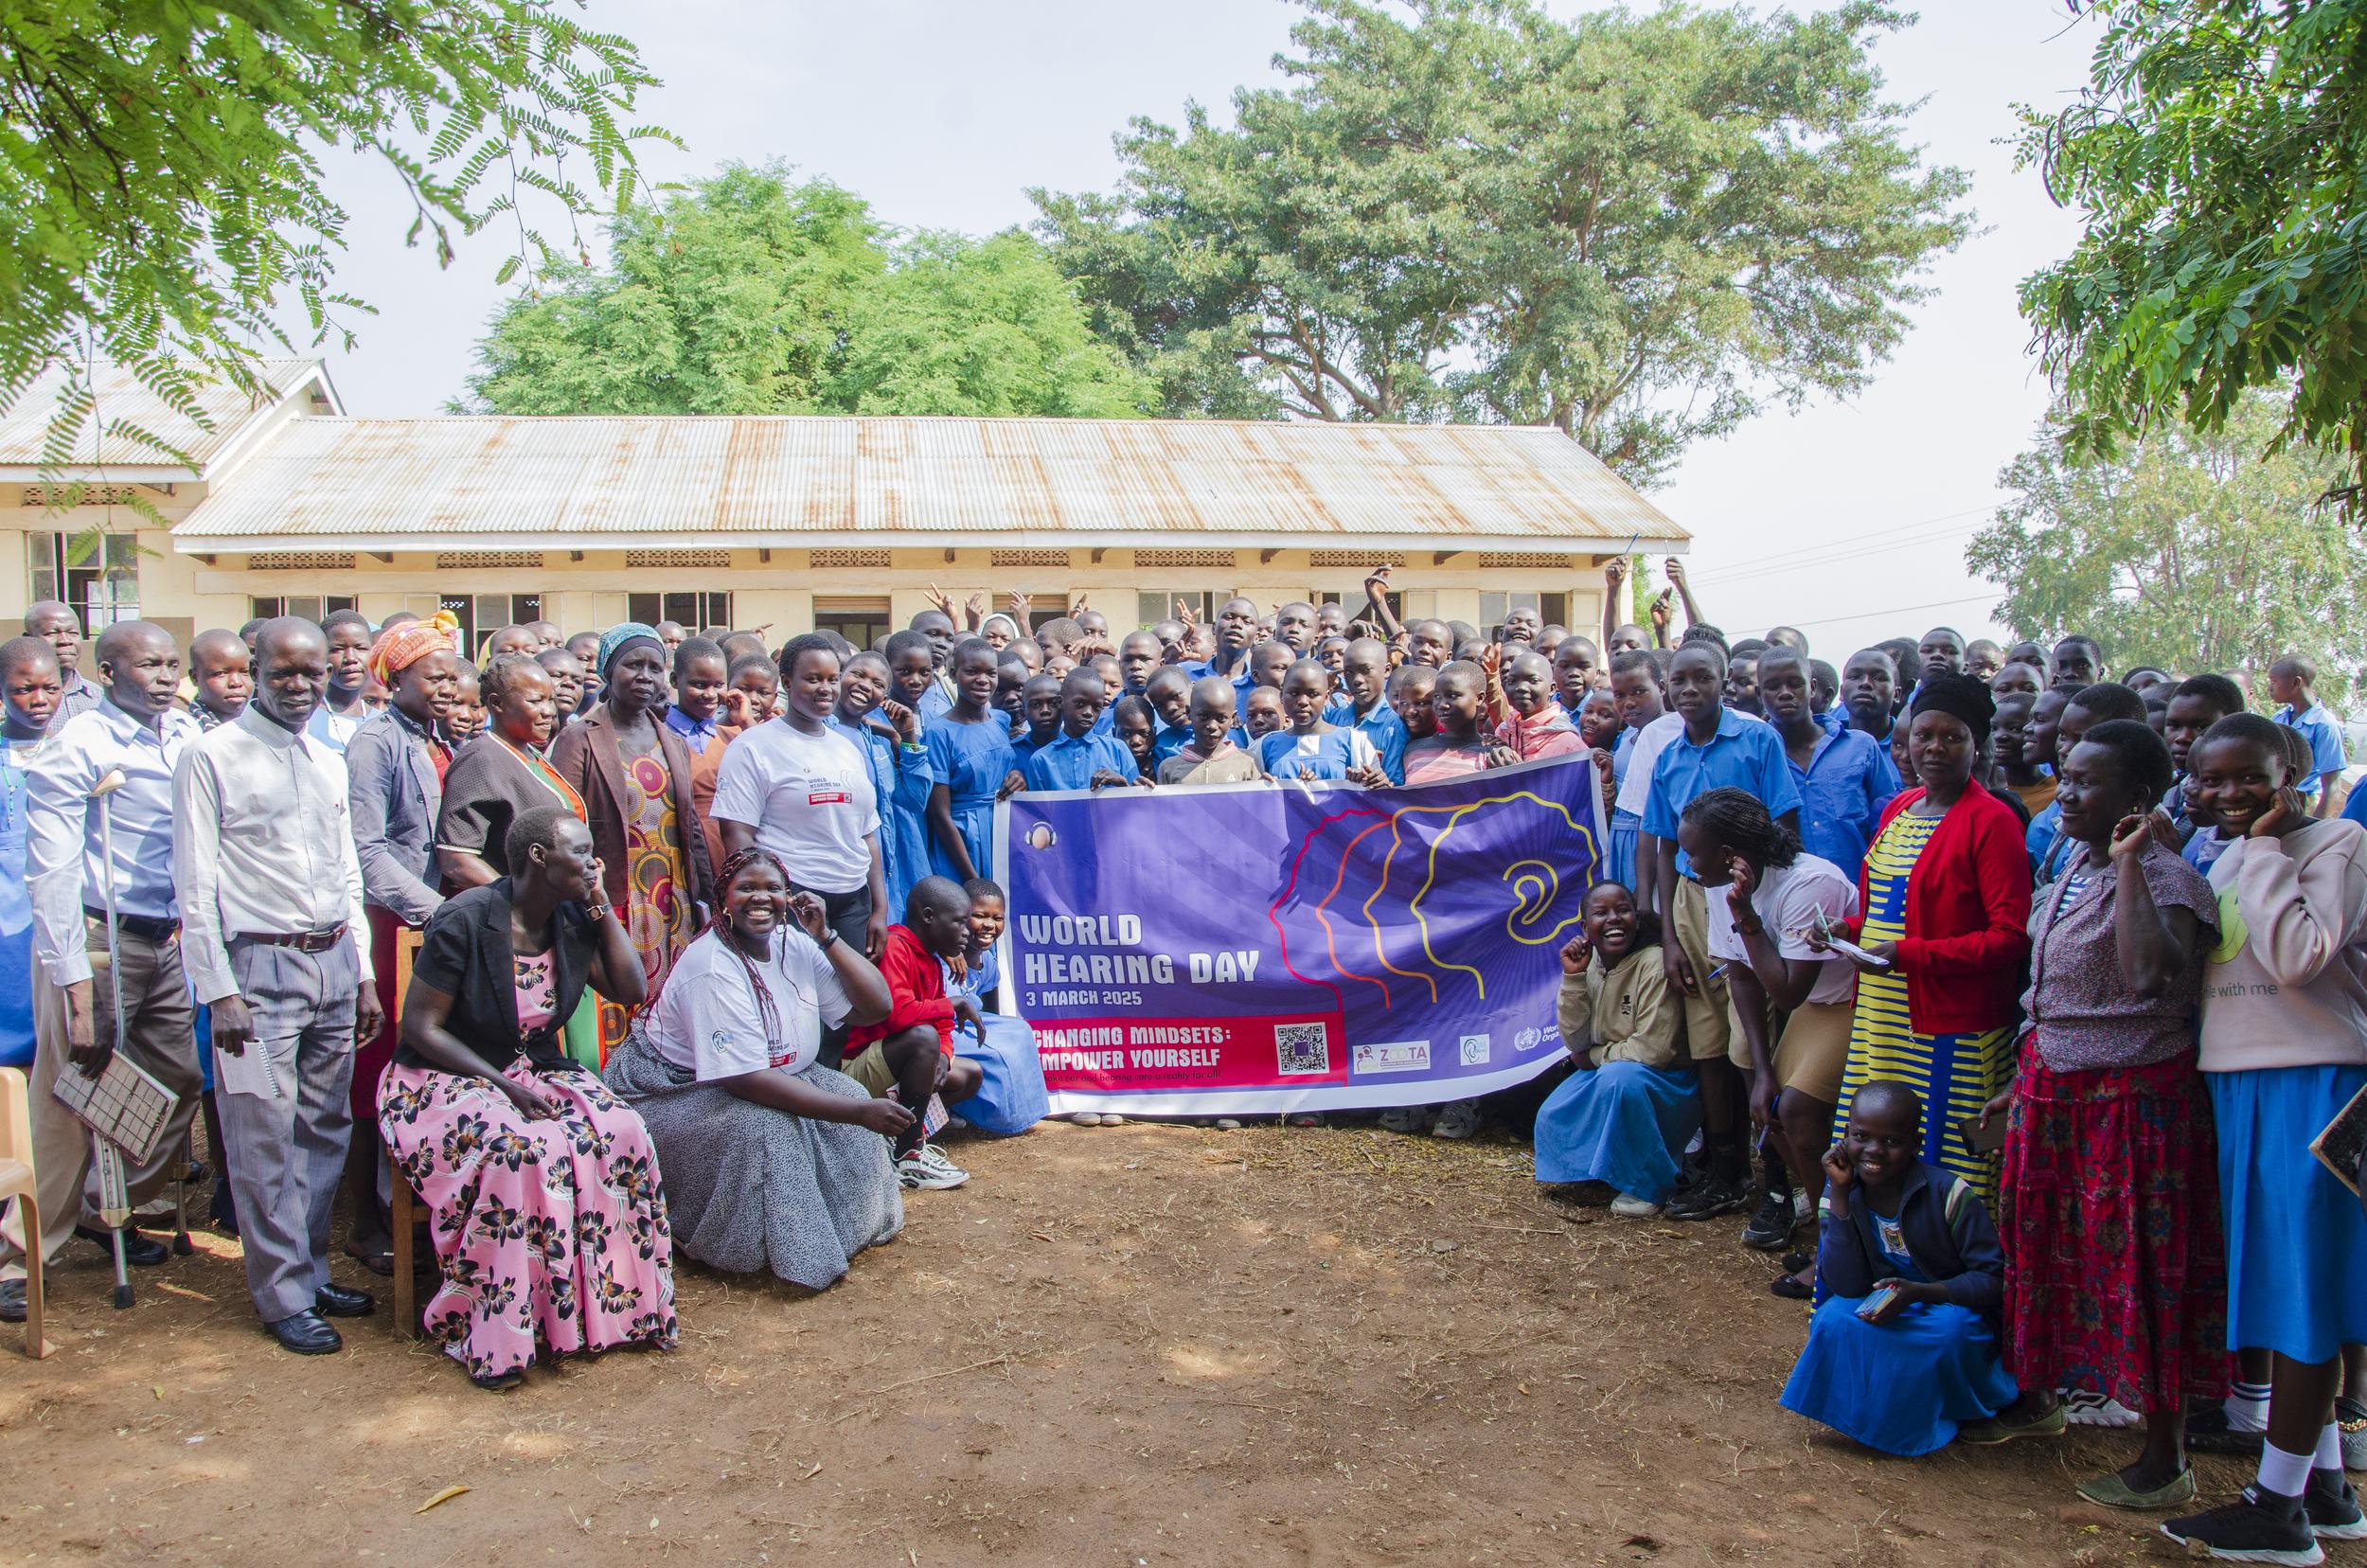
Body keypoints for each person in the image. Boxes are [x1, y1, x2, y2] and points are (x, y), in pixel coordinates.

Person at [1974, 720, 2224, 1508]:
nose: (2068, 791)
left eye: (2087, 782)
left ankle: (2165, 1456)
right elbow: (2052, 989)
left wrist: (2131, 866)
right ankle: (2041, 1400)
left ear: (2139, 800)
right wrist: (2022, 1076)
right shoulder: (2068, 865)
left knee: (2140, 1271)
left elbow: (2150, 978)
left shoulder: (2168, 879)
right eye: (2067, 776)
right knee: (2043, 1250)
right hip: (2054, 1092)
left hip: (2132, 1102)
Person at [2159, 714, 2367, 1559]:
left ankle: (2276, 1510)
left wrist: (2272, 851)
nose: (2228, 794)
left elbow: (2298, 957)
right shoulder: (2227, 851)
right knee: (2278, 1290)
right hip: (2240, 1082)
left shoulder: (2338, 842)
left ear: (2295, 771)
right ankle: (2323, 1488)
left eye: (2249, 777)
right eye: (2211, 780)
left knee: (2307, 1290)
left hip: (2313, 1081)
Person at [380, 807, 674, 1389]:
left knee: (623, 1130)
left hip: (529, 1068)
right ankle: (500, 1332)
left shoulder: (569, 919)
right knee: (521, 1150)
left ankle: (619, 1312)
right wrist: (502, 1085)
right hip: (443, 1077)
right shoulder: (464, 919)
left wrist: (598, 908)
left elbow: (630, 989)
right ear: (539, 856)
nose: (593, 862)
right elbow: (422, 1028)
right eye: (581, 852)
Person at [172, 618, 381, 1355]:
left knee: (322, 1128)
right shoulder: (210, 756)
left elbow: (347, 874)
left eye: (312, 673)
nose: (299, 687)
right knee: (260, 1132)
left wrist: (360, 972)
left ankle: (310, 1269)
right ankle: (281, 1293)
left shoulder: (327, 758)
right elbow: (193, 885)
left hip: (329, 964)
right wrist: (217, 989)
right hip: (255, 972)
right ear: (254, 668)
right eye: (283, 673)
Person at [1, 622, 203, 1322]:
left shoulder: (185, 734)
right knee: (67, 1096)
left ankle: (99, 1203)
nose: (163, 674)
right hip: (93, 935)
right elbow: (51, 872)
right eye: (148, 664)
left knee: (179, 1079)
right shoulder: (79, 746)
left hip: (164, 935)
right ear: (108, 670)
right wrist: (75, 991)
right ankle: (21, 1251)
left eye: (171, 663)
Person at [606, 846, 911, 1289]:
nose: (760, 898)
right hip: (672, 1089)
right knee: (767, 1130)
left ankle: (847, 1232)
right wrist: (860, 1115)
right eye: (746, 888)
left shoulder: (795, 943)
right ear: (723, 899)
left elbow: (875, 1006)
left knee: (850, 1095)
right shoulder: (712, 966)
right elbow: (743, 1081)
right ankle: (773, 1256)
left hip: (769, 1075)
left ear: (790, 896)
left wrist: (826, 936)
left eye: (773, 888)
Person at [1810, 674, 2030, 1203]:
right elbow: (1890, 913)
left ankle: (1947, 1268)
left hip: (1951, 1022)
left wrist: (1905, 955)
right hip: (1882, 1016)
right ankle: (1867, 1252)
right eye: (1923, 734)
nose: (1934, 747)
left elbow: (2009, 938)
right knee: (1874, 1141)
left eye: (1952, 736)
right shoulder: (1898, 808)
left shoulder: (1992, 821)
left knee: (1943, 1151)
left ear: (1976, 744)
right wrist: (1848, 931)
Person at [1643, 641, 1802, 1218]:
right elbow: (1663, 845)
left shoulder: (1758, 739)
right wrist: (1667, 935)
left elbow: (1784, 822)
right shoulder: (1667, 756)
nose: (1690, 689)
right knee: (1707, 1038)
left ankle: (1780, 1178)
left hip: (1749, 896)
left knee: (1758, 1033)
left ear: (1726, 680)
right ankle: (1727, 1169)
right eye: (1679, 680)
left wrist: (1764, 893)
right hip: (1690, 897)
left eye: (1702, 678)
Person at [1778, 1081, 2015, 1456]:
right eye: (1862, 1137)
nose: (1874, 1151)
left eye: (1892, 1141)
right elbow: (1846, 1284)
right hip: (1890, 1301)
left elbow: (1993, 1279)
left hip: (1948, 1306)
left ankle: (1941, 1414)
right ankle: (1862, 1418)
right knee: (1834, 1318)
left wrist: (1922, 1292)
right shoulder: (1841, 1192)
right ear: (1845, 1137)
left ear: (1916, 1143)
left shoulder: (1948, 1193)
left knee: (1945, 1334)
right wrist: (1839, 1195)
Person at [1681, 788, 1860, 1281]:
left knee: (1798, 1112)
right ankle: (1838, 1233)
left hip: (1852, 1002)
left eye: (1693, 852)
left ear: (1726, 855)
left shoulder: (1810, 883)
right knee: (1773, 1113)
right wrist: (1761, 1072)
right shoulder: (1721, 886)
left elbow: (1786, 993)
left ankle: (1842, 1248)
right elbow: (1740, 975)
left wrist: (1747, 916)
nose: (1687, 862)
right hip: (1812, 1008)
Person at [341, 618, 461, 1273]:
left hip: (435, 923)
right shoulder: (374, 743)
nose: (446, 686)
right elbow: (368, 851)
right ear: (397, 679)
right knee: (378, 1073)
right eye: (432, 676)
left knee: (429, 1070)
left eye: (451, 674)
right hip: (396, 922)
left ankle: (423, 1208)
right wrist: (437, 913)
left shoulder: (439, 738)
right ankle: (366, 1222)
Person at [550, 624, 716, 1053]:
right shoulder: (579, 737)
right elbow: (563, 821)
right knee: (620, 1003)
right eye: (632, 665)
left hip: (672, 895)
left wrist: (707, 893)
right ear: (609, 670)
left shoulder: (671, 739)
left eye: (654, 667)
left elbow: (691, 826)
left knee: (671, 1002)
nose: (645, 675)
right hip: (617, 894)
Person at [713, 634, 888, 966]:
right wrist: (767, 902)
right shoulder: (753, 746)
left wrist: (879, 908)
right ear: (787, 682)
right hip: (792, 900)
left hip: (853, 903)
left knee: (852, 1008)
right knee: (799, 1004)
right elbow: (737, 836)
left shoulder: (846, 748)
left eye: (832, 679)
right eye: (813, 679)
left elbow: (868, 834)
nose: (826, 688)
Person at [1531, 882, 1696, 1217]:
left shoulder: (1654, 963)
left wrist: (1593, 1058)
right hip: (1612, 1070)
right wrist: (1573, 979)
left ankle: (1649, 1185)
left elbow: (1654, 1051)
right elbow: (1575, 1042)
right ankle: (1603, 1171)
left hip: (1665, 1081)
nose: (1613, 920)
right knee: (1552, 1113)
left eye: (1622, 910)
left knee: (1619, 1081)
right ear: (1584, 926)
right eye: (1601, 913)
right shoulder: (1589, 964)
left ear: (1636, 916)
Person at [838, 877, 985, 1183]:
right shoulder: (894, 947)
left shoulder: (930, 962)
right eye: (958, 922)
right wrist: (953, 1005)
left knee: (968, 1074)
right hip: (858, 1069)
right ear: (928, 916)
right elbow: (898, 1016)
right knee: (922, 1038)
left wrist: (943, 1058)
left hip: (898, 1068)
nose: (966, 932)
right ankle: (908, 1154)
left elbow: (942, 1026)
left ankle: (895, 1133)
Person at [1758, 648, 1897, 884]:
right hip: (1791, 901)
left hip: (1861, 897)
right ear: (1759, 694)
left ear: (1812, 687)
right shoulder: (1756, 757)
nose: (1785, 694)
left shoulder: (1860, 747)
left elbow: (1890, 825)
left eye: (1795, 684)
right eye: (1773, 686)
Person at [941, 876, 1049, 1135]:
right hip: (945, 1027)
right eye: (980, 916)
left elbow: (984, 997)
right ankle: (976, 1113)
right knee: (998, 1053)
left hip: (972, 1021)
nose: (989, 925)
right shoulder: (945, 955)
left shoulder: (987, 961)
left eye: (997, 918)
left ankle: (1023, 1112)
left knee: (1019, 1032)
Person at [0, 636, 63, 1073]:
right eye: (24, 689)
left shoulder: (76, 753)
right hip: (8, 920)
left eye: (50, 688)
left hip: (63, 910)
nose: (39, 700)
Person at [833, 650, 934, 921]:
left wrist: (906, 735)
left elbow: (914, 798)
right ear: (838, 677)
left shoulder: (878, 741)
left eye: (878, 684)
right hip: (841, 876)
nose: (865, 685)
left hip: (884, 873)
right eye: (857, 674)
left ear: (884, 697)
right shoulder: (821, 733)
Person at [2027, 683, 2149, 883]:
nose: (2065, 749)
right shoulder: (2065, 809)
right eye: (2062, 735)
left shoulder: (2142, 834)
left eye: (2084, 738)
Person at [924, 640, 1024, 882]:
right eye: (972, 672)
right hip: (962, 840)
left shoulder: (1001, 720)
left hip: (1003, 830)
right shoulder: (938, 732)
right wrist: (971, 877)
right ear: (953, 674)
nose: (983, 680)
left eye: (990, 673)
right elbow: (939, 814)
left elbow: (1005, 767)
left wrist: (1019, 778)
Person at [1257, 660, 1386, 783]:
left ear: (1326, 697)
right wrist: (1261, 786)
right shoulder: (1265, 745)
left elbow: (1376, 794)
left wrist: (1373, 781)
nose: (1303, 701)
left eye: (1313, 694)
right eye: (1294, 693)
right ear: (1281, 696)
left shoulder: (1353, 742)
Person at [1023, 668, 1139, 792]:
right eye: (1079, 704)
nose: (1088, 713)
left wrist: (1123, 787)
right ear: (1060, 702)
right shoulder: (1041, 760)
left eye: (1096, 707)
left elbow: (1138, 804)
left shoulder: (1117, 750)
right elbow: (1038, 809)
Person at [1402, 662, 1509, 784]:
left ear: (1479, 698)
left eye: (1452, 696)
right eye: (1437, 696)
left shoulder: (1493, 755)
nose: (1442, 705)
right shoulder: (1413, 750)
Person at [2269, 656, 2348, 817]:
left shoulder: (2325, 725)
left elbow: (2332, 786)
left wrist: (2316, 827)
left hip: (2305, 805)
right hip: (2276, 802)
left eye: (2274, 681)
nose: (2270, 688)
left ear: (2296, 683)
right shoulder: (2279, 718)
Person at [1323, 639, 1409, 784]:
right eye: (1349, 672)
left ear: (1386, 670)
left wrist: (1380, 781)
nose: (1357, 680)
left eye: (1366, 670)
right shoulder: (1335, 717)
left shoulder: (1393, 726)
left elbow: (1395, 784)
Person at [1159, 679, 1264, 786]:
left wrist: (1270, 790)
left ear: (1232, 718)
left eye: (1221, 718)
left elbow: (1257, 801)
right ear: (1189, 713)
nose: (1212, 726)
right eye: (1204, 717)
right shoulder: (1169, 768)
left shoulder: (1247, 762)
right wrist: (1142, 791)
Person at [1494, 650, 1587, 762]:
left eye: (1534, 681)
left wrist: (1522, 773)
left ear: (1552, 689)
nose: (1521, 687)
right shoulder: (1502, 732)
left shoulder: (1569, 745)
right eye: (1512, 681)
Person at [304, 609, 375, 755]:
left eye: (360, 648)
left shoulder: (382, 721)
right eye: (337, 649)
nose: (350, 658)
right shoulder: (304, 719)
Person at [24, 600, 100, 722]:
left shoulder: (98, 697)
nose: (65, 641)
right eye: (52, 633)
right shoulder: (14, 701)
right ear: (29, 640)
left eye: (73, 633)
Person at [1992, 695, 2056, 822]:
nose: (1999, 736)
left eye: (2015, 729)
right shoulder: (1988, 791)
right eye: (1993, 728)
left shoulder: (2054, 795)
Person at [187, 629, 254, 730]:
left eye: (245, 672)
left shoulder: (264, 726)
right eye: (221, 674)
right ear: (195, 678)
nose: (236, 682)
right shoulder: (185, 732)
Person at [1839, 648, 1898, 745]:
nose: (1865, 683)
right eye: (1854, 677)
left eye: (1879, 678)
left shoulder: (1911, 743)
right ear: (1841, 692)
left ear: (1896, 693)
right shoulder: (1823, 743)